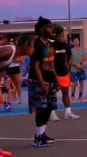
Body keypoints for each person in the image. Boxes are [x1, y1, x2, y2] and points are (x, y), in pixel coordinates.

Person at [28, 17, 58, 147]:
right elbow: (36, 66)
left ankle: (42, 134)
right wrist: (42, 83)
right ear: (41, 29)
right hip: (38, 81)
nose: (51, 29)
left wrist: (55, 78)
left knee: (49, 108)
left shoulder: (49, 43)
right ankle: (38, 137)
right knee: (41, 109)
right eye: (48, 27)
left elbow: (51, 63)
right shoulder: (37, 45)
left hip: (49, 79)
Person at [50, 28, 79, 121]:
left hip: (64, 73)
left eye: (63, 34)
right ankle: (52, 113)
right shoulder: (51, 45)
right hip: (54, 73)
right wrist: (53, 73)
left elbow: (69, 56)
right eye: (60, 35)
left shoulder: (65, 45)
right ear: (55, 35)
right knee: (52, 94)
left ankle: (68, 112)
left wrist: (68, 69)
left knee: (66, 93)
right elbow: (50, 61)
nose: (62, 36)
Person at [70, 38, 87, 103]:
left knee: (81, 83)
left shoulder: (82, 50)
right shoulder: (71, 51)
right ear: (73, 42)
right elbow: (70, 61)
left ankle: (80, 97)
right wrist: (76, 65)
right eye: (75, 41)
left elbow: (85, 58)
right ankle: (72, 97)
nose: (77, 42)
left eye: (78, 41)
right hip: (74, 70)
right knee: (74, 83)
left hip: (81, 69)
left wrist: (81, 64)